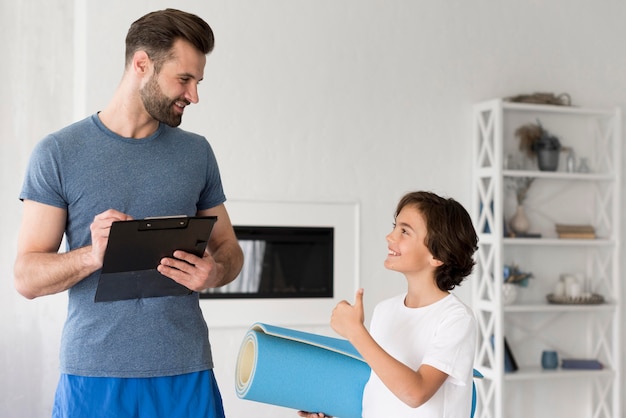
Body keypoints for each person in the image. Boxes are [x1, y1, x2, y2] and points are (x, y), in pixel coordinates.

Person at [14, 9, 243, 418]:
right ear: (142, 64)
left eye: (198, 82)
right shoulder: (58, 153)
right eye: (184, 79)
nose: (194, 96)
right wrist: (90, 254)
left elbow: (230, 249)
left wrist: (215, 272)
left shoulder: (197, 153)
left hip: (186, 371)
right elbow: (26, 277)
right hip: (94, 377)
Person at [299, 191, 478, 417]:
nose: (389, 236)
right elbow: (380, 396)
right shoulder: (384, 311)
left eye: (404, 231)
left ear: (437, 255)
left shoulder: (456, 319)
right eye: (395, 227)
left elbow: (416, 393)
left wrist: (355, 332)